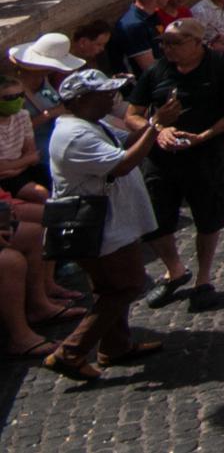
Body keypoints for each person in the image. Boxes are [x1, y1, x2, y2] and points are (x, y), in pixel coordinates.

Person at [42, 67, 161, 382]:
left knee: (109, 288)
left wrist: (150, 125)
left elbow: (128, 140)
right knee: (127, 285)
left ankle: (116, 346)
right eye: (105, 93)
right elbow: (122, 163)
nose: (112, 97)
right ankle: (71, 351)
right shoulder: (76, 136)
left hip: (109, 222)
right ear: (81, 100)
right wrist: (157, 127)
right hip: (98, 227)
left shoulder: (92, 124)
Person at [128, 17, 224, 310]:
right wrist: (159, 129)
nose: (168, 49)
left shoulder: (222, 68)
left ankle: (203, 279)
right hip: (161, 158)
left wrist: (205, 135)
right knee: (156, 219)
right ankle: (174, 270)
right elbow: (133, 114)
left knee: (208, 216)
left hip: (204, 155)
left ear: (198, 42)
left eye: (175, 43)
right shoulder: (157, 71)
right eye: (164, 43)